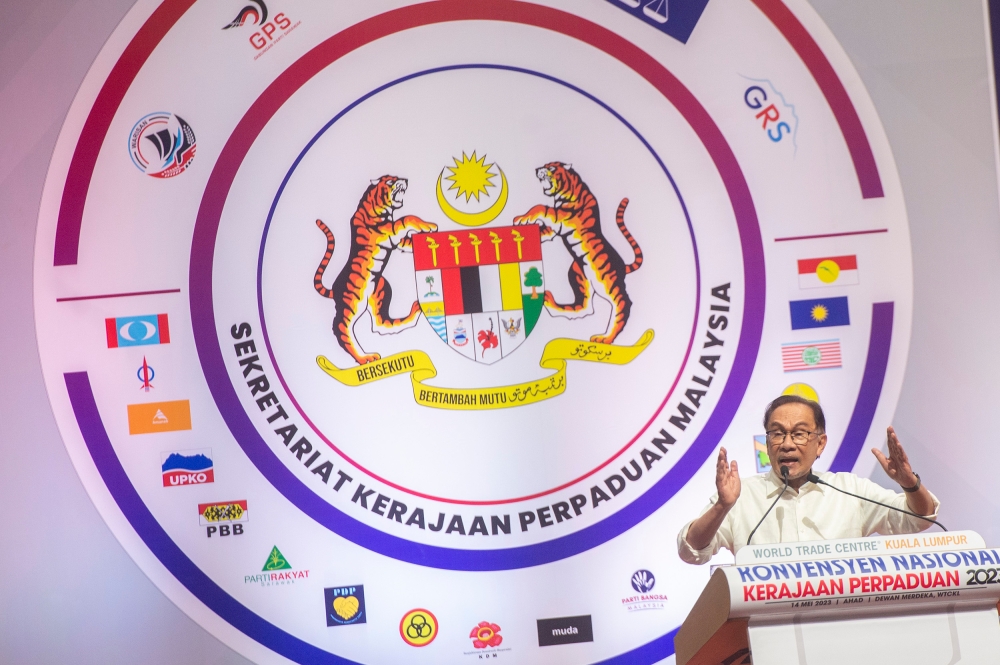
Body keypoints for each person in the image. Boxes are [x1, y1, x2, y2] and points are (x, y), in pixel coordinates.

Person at [677, 394, 940, 564]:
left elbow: (919, 518)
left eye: (800, 434)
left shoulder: (849, 490)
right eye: (777, 434)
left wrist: (909, 483)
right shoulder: (740, 496)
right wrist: (722, 507)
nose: (787, 444)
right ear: (767, 444)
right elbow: (691, 551)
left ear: (820, 443)